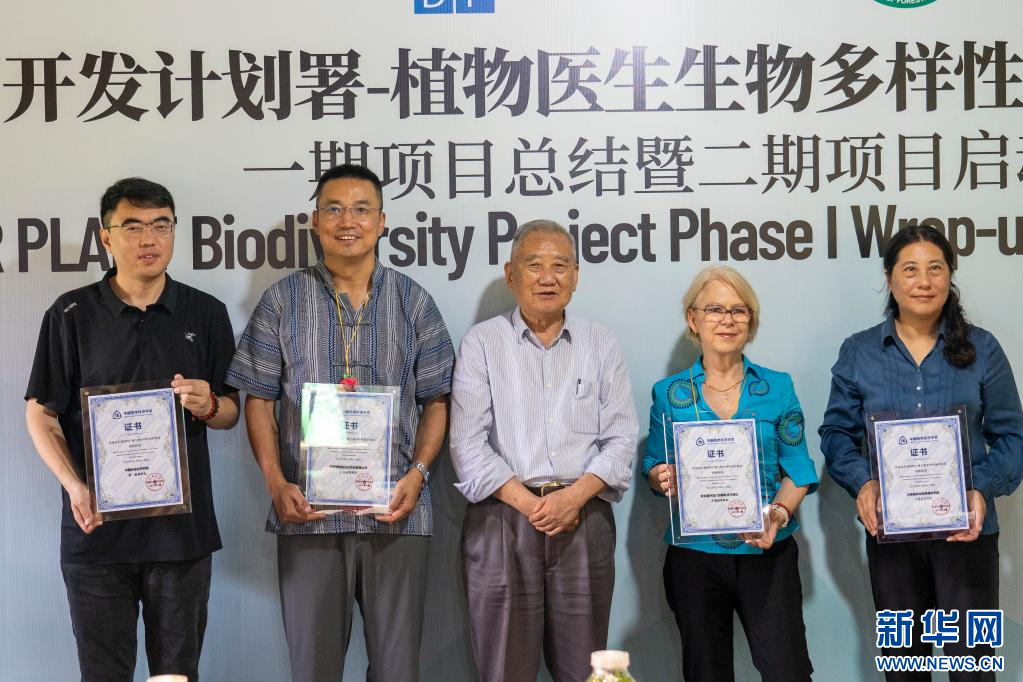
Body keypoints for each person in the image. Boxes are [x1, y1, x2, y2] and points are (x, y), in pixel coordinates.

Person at [226, 164, 454, 682]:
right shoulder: (282, 300)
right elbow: (258, 400)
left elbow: (438, 401)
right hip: (308, 514)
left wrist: (418, 475)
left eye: (361, 209)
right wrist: (275, 484)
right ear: (315, 221)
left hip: (395, 513)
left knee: (397, 671)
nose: (347, 221)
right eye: (333, 208)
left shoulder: (414, 301)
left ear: (382, 221)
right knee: (313, 669)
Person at [24, 177, 240, 682]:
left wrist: (210, 404)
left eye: (161, 225)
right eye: (133, 226)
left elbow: (231, 411)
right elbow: (41, 413)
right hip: (97, 534)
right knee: (103, 674)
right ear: (106, 237)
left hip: (181, 537)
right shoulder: (71, 314)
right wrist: (74, 486)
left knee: (176, 676)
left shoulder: (206, 312)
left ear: (174, 231)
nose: (149, 239)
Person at [819, 225, 1023, 680]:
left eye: (936, 268)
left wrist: (980, 488)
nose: (924, 281)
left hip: (967, 537)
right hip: (892, 541)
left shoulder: (984, 348)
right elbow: (835, 434)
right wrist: (863, 483)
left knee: (973, 668)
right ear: (889, 278)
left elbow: (1013, 437)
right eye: (910, 270)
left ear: (950, 276)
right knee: (904, 668)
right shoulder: (859, 352)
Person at [449, 219, 638, 682]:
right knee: (504, 669)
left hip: (584, 518)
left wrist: (571, 499)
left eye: (560, 266)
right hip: (502, 518)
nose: (547, 278)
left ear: (576, 277)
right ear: (511, 274)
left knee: (589, 670)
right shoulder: (482, 342)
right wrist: (535, 506)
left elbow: (621, 437)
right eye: (534, 265)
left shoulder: (601, 343)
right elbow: (467, 444)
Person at [642, 265, 818, 682]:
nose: (727, 320)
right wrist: (660, 477)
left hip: (767, 552)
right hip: (694, 558)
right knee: (705, 673)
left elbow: (799, 469)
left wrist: (778, 513)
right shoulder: (668, 394)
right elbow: (652, 464)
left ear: (750, 321)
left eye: (739, 310)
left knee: (788, 673)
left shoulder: (777, 387)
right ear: (693, 319)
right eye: (715, 309)